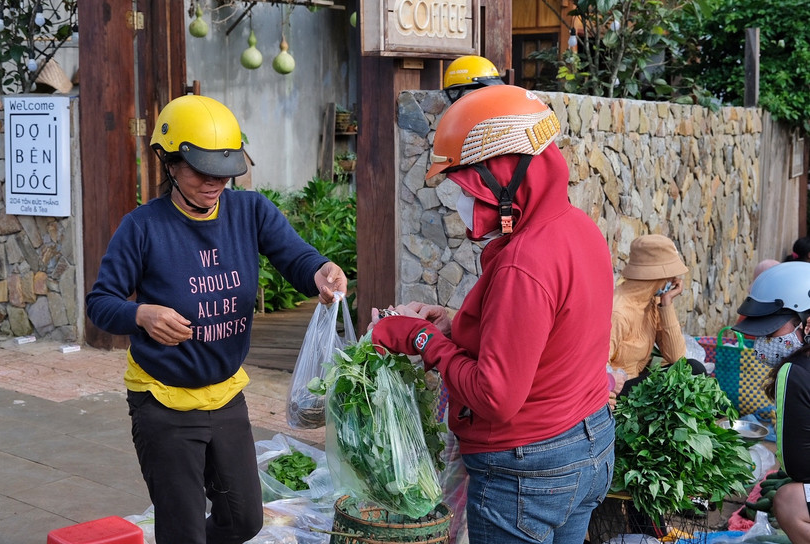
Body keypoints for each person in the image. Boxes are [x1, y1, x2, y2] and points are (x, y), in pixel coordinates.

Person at [85, 95, 347, 544]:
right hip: (162, 401)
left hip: (226, 397)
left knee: (244, 519)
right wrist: (141, 315)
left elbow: (297, 257)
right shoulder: (143, 227)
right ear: (169, 163)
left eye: (224, 172)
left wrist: (320, 270)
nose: (214, 183)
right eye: (201, 170)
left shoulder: (250, 212)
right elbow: (100, 302)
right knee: (182, 530)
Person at [369, 85, 616, 544]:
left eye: (466, 185)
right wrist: (452, 321)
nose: (461, 201)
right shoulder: (577, 228)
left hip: (529, 472)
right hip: (589, 446)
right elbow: (542, 333)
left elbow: (496, 397)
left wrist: (421, 341)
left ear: (504, 174)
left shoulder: (525, 261)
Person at [735, 262, 810, 544]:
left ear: (807, 323)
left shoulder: (795, 371)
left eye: (770, 333)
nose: (761, 344)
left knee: (789, 500)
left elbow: (799, 466)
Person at [609, 234, 705, 398]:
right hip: (618, 392)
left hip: (636, 384)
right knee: (694, 371)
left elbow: (676, 357)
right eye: (669, 275)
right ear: (654, 277)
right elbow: (598, 368)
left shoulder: (652, 302)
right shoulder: (618, 311)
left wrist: (666, 303)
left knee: (693, 368)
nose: (674, 280)